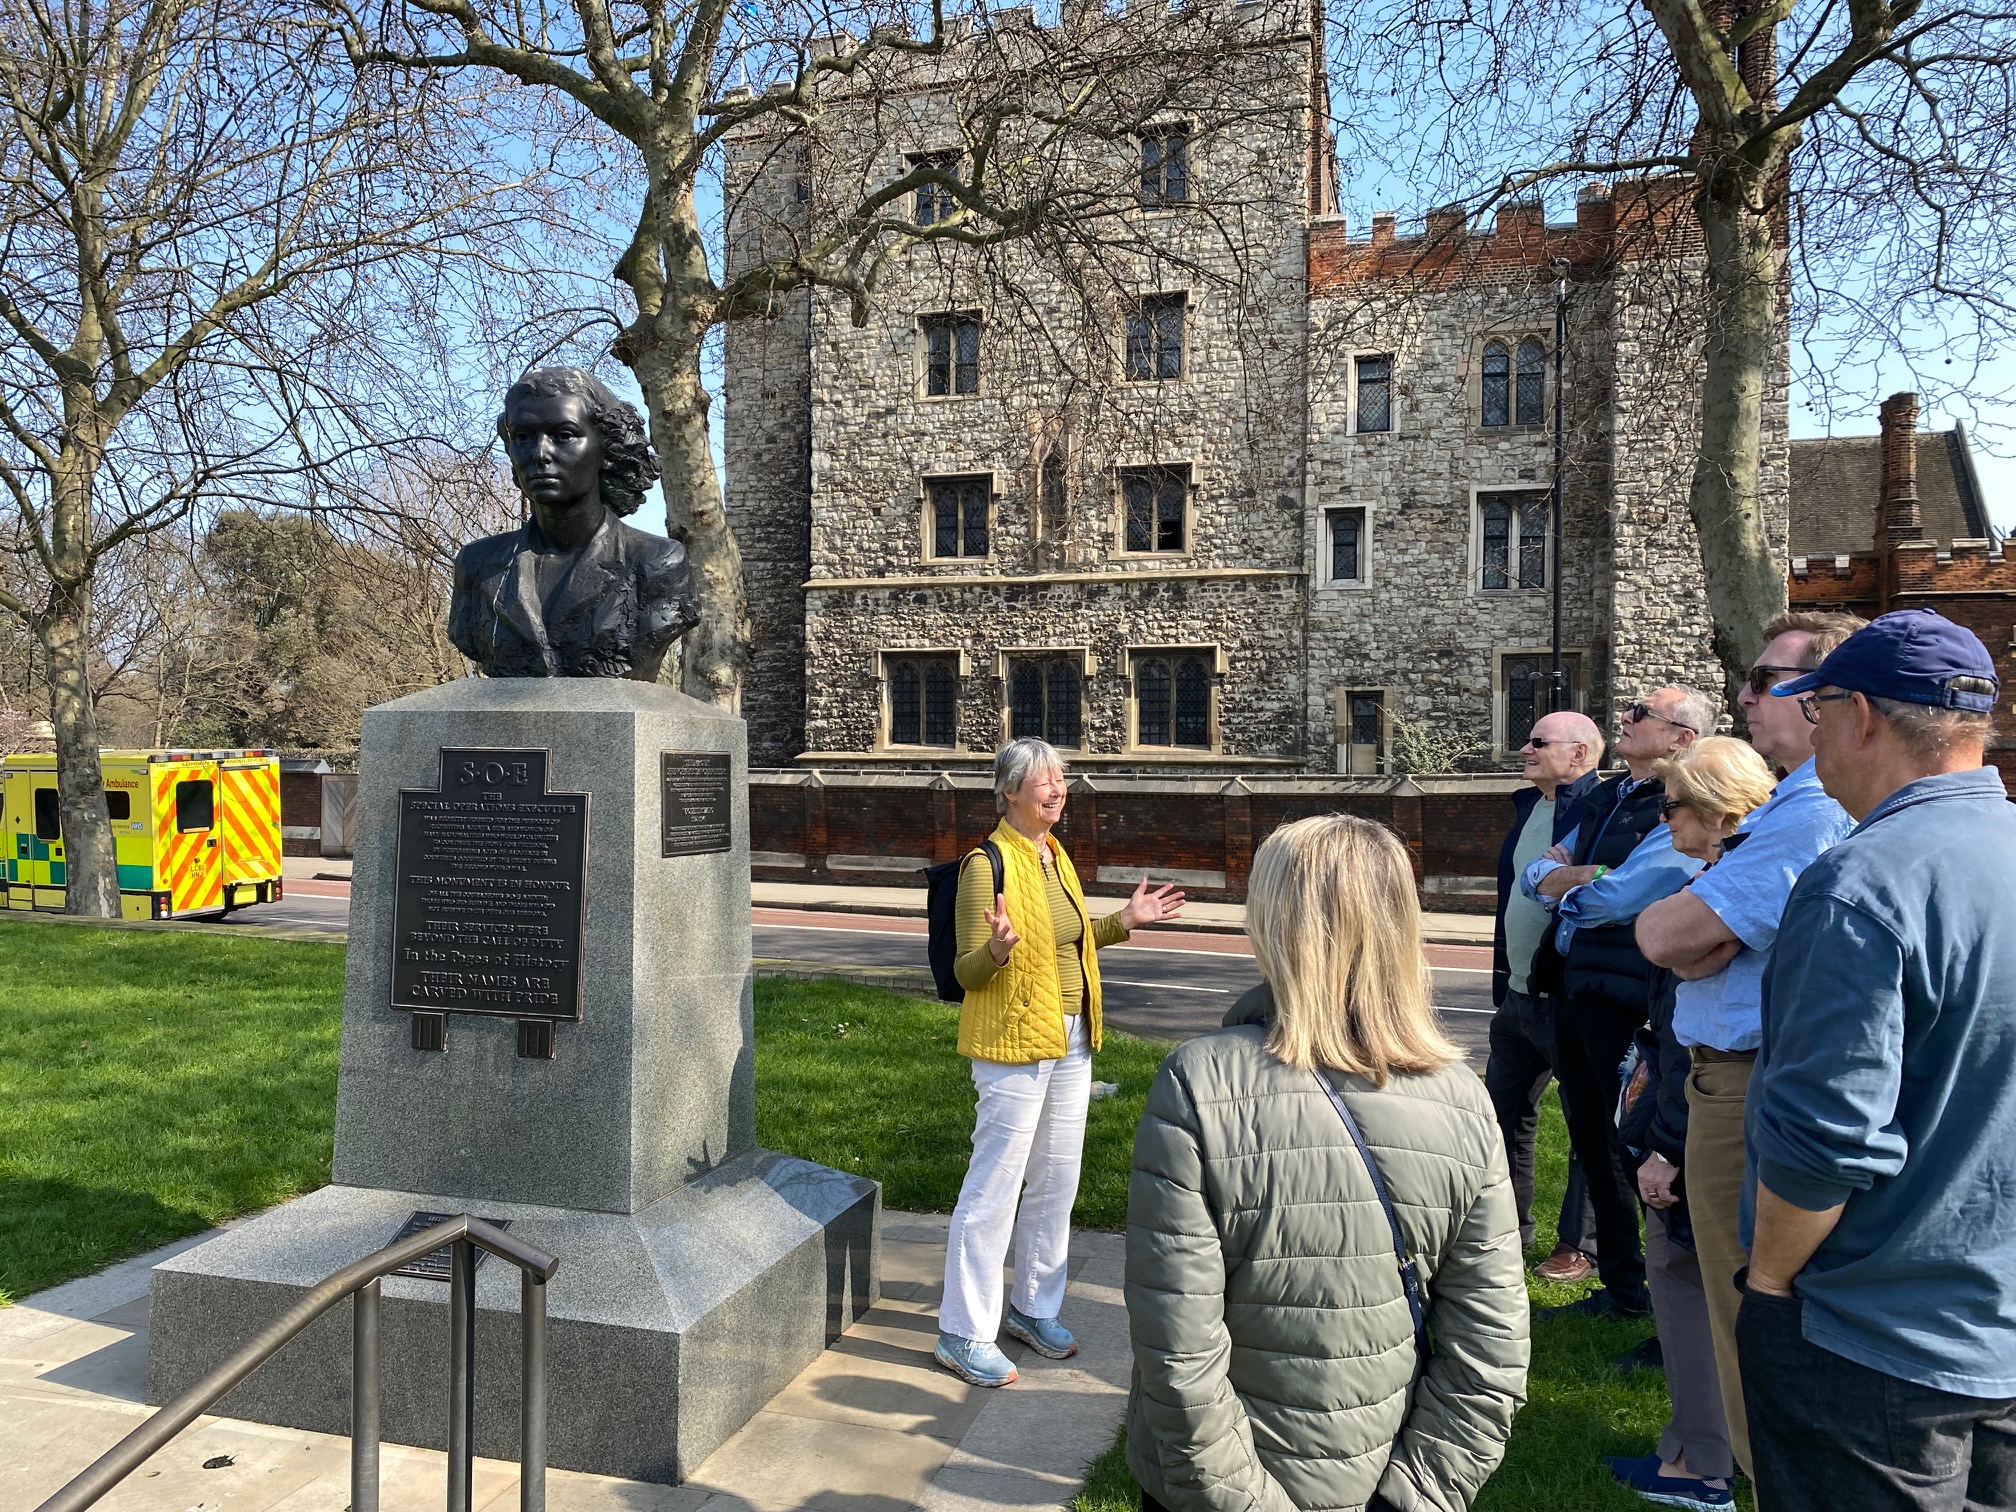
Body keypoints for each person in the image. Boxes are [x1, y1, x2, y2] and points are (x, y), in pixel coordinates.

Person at [1126, 814, 1528, 1512]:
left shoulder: (1201, 1081)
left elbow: (1177, 1356)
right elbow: (1490, 1353)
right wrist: (1420, 1493)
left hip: (1218, 1485)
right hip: (1383, 1477)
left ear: (1274, 922)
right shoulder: (1464, 1096)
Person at [1737, 609, 2014, 1510]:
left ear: (1857, 715)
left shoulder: (1861, 883)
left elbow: (1822, 1143)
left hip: (1873, 1336)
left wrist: (1770, 1283)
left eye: (1812, 714)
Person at [1635, 610, 1863, 1476]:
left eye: (1766, 681)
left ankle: (1746, 1478)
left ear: (1826, 703)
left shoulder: (1804, 814)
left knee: (1748, 1314)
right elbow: (1686, 939)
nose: (1744, 694)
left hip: (1744, 1083)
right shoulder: (1791, 807)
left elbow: (1668, 939)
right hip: (1720, 1078)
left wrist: (1688, 925)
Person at [935, 737, 1184, 1387]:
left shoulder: (1053, 854)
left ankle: (1033, 1308)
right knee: (994, 1188)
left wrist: (1125, 919)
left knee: (1055, 1181)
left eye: (1062, 778)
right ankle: (962, 1331)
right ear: (1010, 790)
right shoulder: (985, 865)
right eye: (1044, 780)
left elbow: (1067, 940)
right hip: (1014, 1044)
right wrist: (993, 950)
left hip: (1071, 1042)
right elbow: (966, 970)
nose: (1057, 788)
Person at [1605, 737, 1777, 1510]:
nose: (1661, 817)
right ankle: (1702, 1451)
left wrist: (1667, 1145)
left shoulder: (1744, 871)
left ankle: (1703, 1464)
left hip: (1708, 1101)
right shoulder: (1728, 873)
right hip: (1696, 1091)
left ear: (1712, 809)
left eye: (1670, 804)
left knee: (1690, 1281)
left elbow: (1690, 977)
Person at [1522, 684, 1718, 1318]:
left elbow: (1633, 890)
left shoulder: (1679, 803)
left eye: (1641, 715)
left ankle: (1656, 1291)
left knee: (1627, 1134)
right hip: (1578, 980)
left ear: (1682, 739)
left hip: (1630, 990)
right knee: (1586, 1132)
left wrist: (1572, 884)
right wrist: (1581, 879)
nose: (1625, 719)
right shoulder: (1610, 794)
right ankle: (1624, 1286)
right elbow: (1542, 872)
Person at [450, 367, 699, 680]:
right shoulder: (477, 565)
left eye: (563, 435)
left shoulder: (656, 563)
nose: (540, 454)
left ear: (606, 449)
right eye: (523, 437)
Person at [1486, 709, 1603, 1283]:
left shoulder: (1601, 809)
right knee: (1502, 1116)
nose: (1524, 750)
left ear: (1580, 753)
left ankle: (1580, 1245)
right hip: (1516, 995)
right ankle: (1507, 1229)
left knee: (1587, 1123)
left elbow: (1606, 882)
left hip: (1568, 996)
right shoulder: (1529, 807)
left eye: (1538, 742)